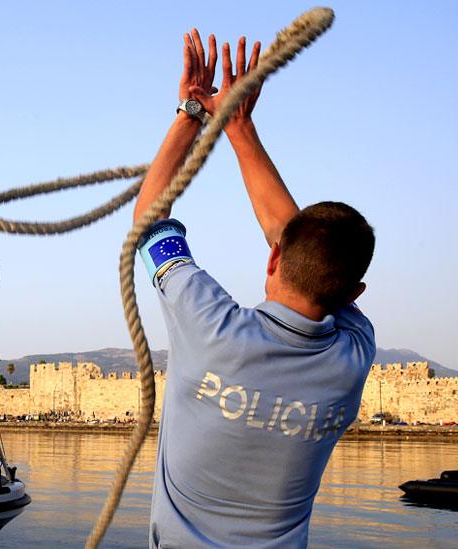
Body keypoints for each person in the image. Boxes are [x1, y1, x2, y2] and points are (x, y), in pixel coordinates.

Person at [135, 31, 376, 548]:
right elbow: (298, 245)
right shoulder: (352, 358)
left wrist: (202, 114)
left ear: (273, 257)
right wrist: (238, 128)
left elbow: (148, 218)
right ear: (354, 292)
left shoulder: (212, 328)